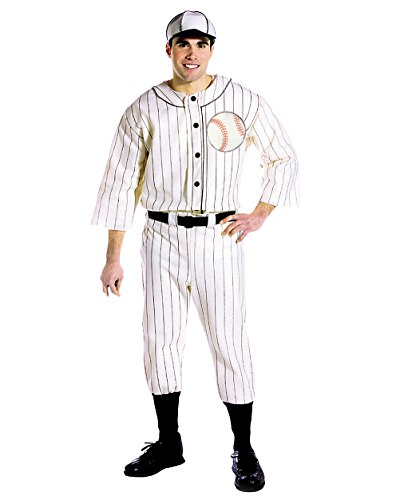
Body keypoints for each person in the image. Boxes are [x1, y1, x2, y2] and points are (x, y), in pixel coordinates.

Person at [91, 10, 298, 493]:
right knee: (160, 341)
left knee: (229, 342)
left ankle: (243, 448)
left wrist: (260, 214)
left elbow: (283, 157)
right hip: (161, 236)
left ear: (211, 49)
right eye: (183, 43)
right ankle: (169, 444)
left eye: (201, 44)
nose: (192, 53)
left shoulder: (241, 99)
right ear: (169, 49)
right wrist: (113, 256)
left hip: (219, 238)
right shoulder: (144, 107)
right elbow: (120, 183)